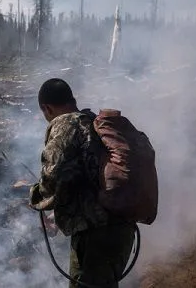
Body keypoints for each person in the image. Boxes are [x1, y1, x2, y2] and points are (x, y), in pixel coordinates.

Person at [29, 78, 136, 288]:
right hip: (122, 229)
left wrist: (34, 196)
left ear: (46, 108)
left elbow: (54, 176)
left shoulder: (65, 125)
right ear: (73, 99)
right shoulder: (93, 122)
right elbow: (86, 181)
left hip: (96, 236)